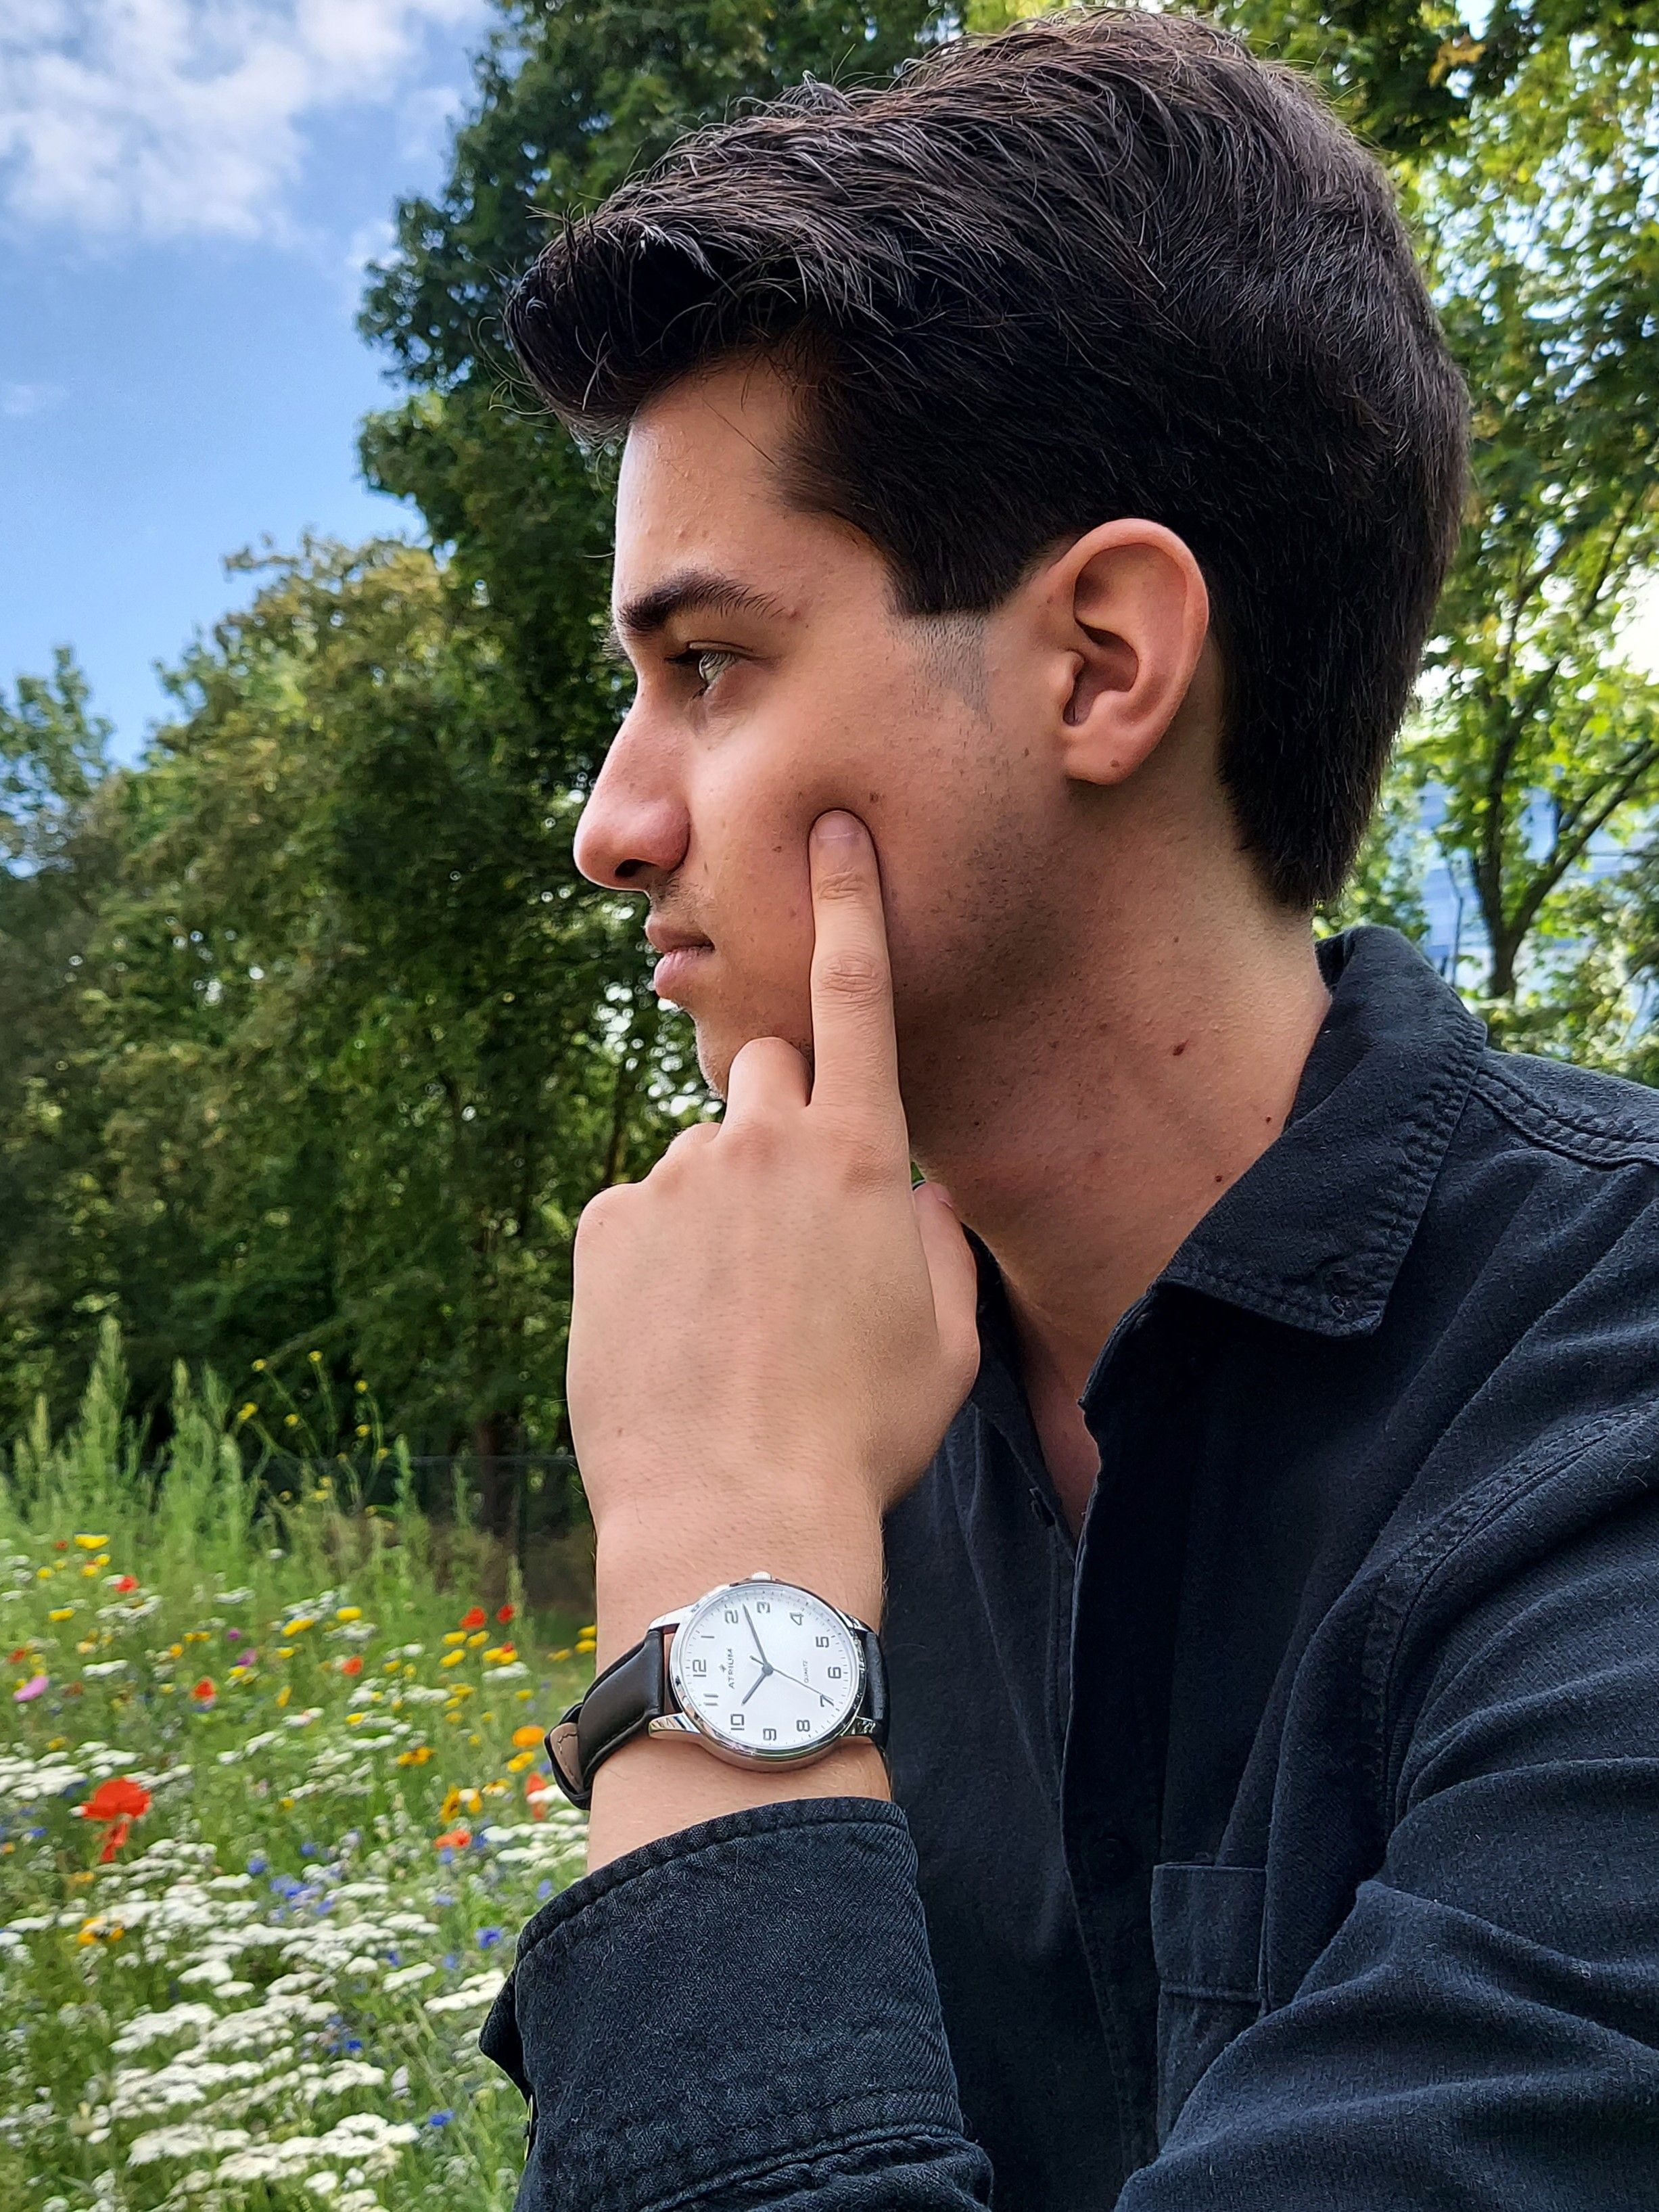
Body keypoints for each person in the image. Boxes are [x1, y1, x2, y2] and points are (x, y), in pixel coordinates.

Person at [480, 9, 1659, 2207]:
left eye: (709, 665)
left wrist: (723, 1594)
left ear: (1105, 661)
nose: (612, 827)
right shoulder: (859, 1445)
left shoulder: (1611, 1419)